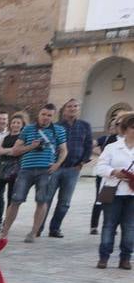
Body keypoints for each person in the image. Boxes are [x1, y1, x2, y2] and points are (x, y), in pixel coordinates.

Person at [0, 102, 67, 243]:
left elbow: (63, 150)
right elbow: (15, 150)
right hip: (26, 169)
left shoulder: (59, 130)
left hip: (46, 170)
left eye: (49, 115)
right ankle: (4, 232)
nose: (46, 118)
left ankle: (33, 233)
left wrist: (57, 164)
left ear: (53, 117)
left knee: (41, 201)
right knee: (16, 200)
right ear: (39, 114)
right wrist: (32, 146)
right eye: (43, 114)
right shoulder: (28, 130)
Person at [46, 98, 93, 238]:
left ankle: (55, 228)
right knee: (46, 199)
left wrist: (83, 162)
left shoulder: (85, 126)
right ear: (64, 109)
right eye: (69, 106)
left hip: (73, 169)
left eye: (75, 106)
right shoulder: (56, 126)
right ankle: (38, 227)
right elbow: (50, 145)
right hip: (56, 168)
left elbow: (89, 145)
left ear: (78, 108)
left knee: (65, 202)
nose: (72, 108)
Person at [94, 112, 134, 270]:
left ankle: (126, 258)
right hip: (114, 191)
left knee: (130, 226)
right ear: (125, 129)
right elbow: (100, 167)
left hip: (132, 193)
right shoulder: (112, 147)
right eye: (132, 127)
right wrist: (114, 172)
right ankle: (104, 256)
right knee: (109, 225)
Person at [91, 116, 121, 235]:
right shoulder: (107, 139)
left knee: (116, 201)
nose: (115, 127)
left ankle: (111, 225)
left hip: (119, 176)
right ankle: (94, 225)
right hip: (105, 174)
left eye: (117, 125)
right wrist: (99, 153)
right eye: (113, 125)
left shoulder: (126, 140)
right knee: (101, 198)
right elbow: (91, 145)